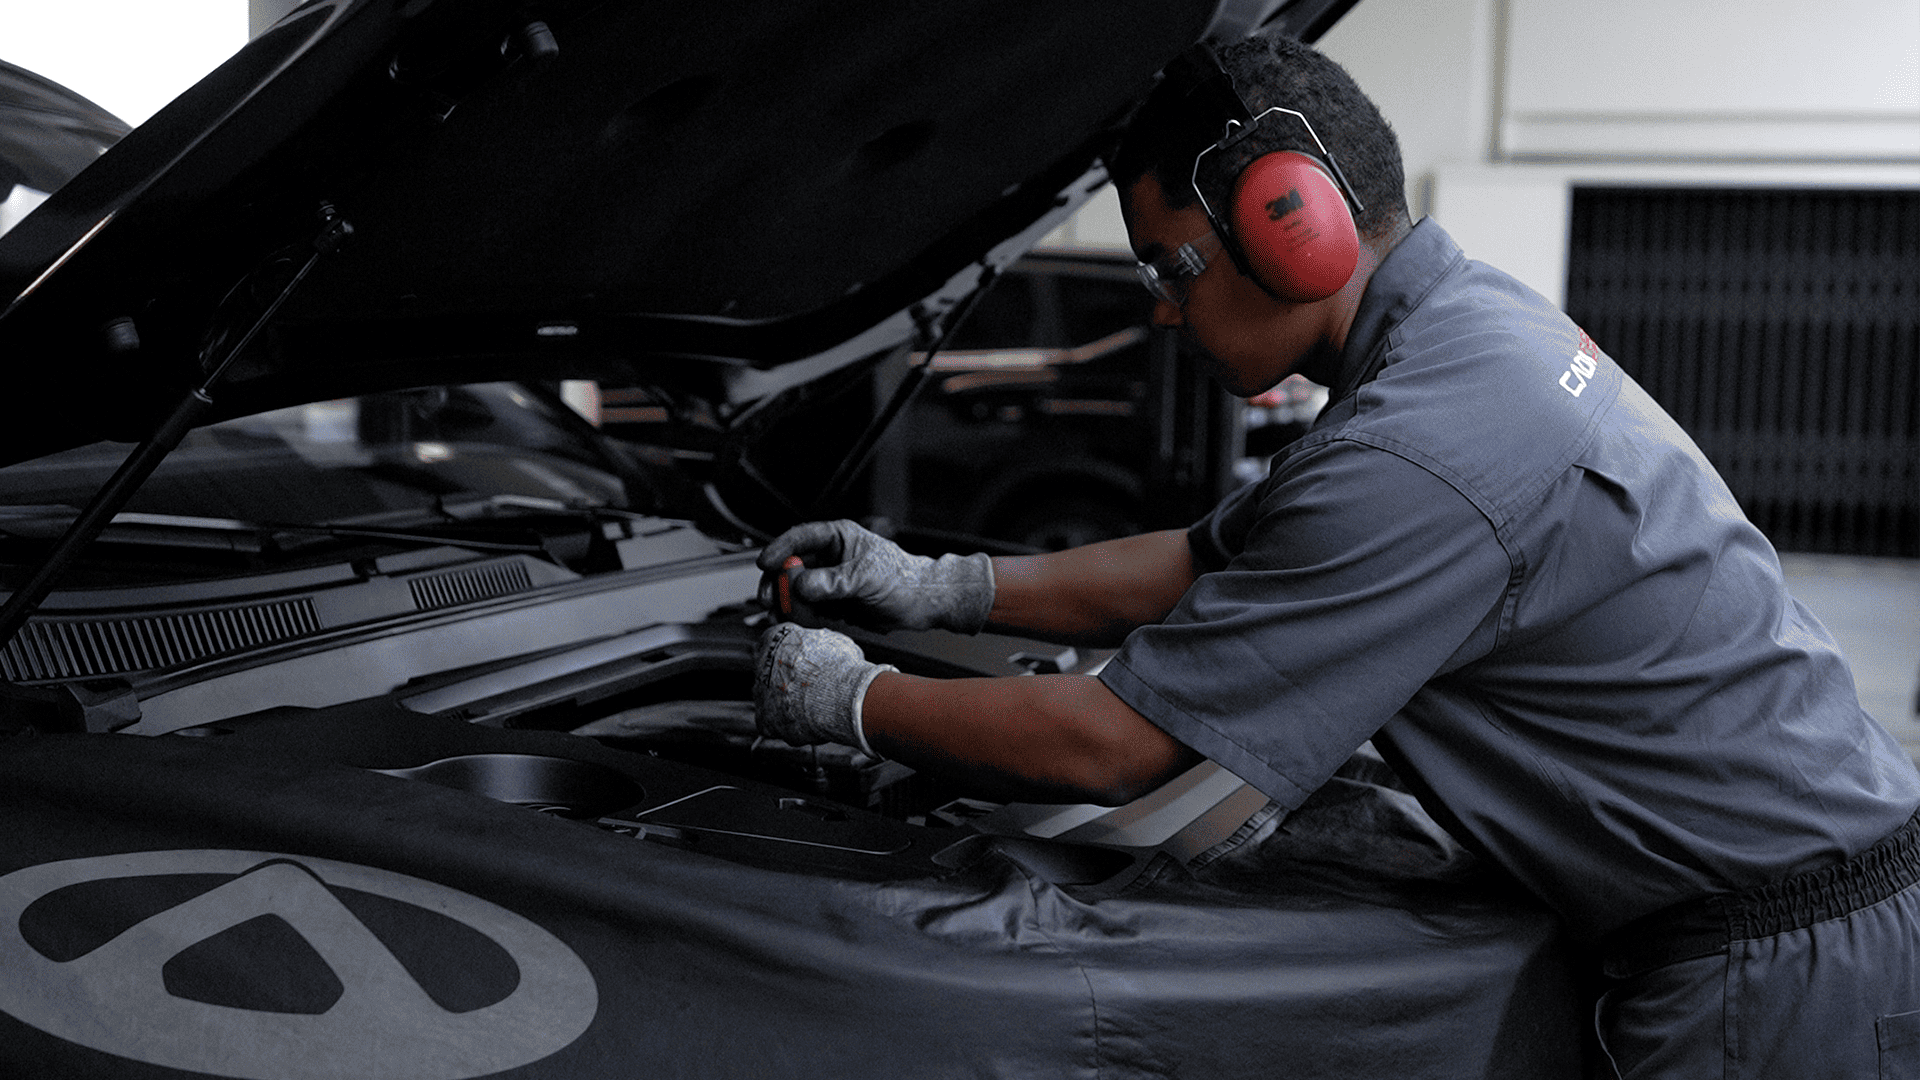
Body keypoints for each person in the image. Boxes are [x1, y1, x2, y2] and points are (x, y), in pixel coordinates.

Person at [751, 30, 1920, 1080]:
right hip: (1791, 908)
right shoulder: (1464, 332)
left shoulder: (1423, 444)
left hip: (1778, 971)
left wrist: (853, 701)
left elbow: (1114, 747)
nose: (1160, 311)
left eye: (1170, 268)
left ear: (1291, 223)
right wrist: (939, 584)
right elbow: (1211, 559)